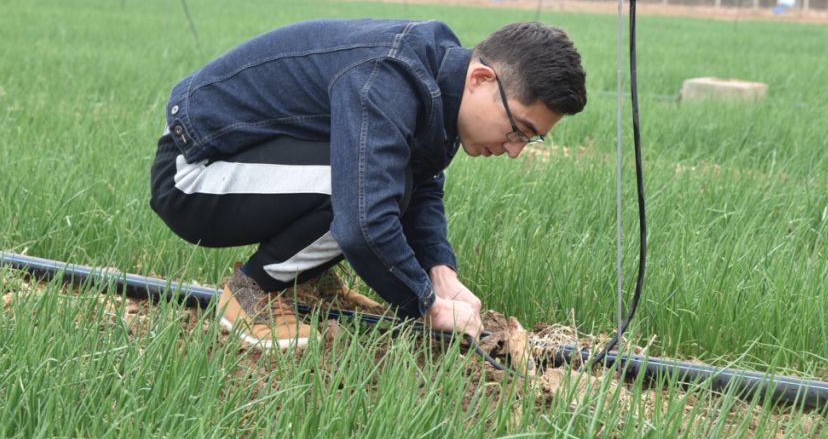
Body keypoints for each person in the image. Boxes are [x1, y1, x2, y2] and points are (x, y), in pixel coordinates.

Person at [149, 19, 586, 350]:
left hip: (249, 166)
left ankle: (306, 277)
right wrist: (426, 304)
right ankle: (252, 290)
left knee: (385, 178)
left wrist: (440, 273)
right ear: (481, 79)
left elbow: (424, 178)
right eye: (518, 130)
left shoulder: (439, 82)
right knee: (363, 188)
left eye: (530, 140)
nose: (514, 150)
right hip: (195, 173)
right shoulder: (389, 77)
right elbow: (363, 223)